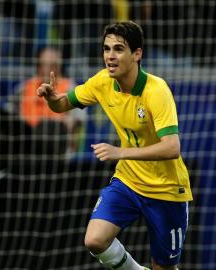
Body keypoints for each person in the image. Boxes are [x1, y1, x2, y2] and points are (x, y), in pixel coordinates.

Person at [37, 21, 192, 270]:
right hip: (128, 181)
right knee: (95, 240)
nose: (110, 55)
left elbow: (172, 147)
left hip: (167, 190)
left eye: (118, 49)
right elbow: (62, 105)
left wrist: (120, 152)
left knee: (163, 267)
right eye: (106, 48)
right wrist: (53, 100)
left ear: (137, 54)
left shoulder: (157, 90)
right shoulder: (102, 82)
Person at [16, 46, 86, 153]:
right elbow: (14, 118)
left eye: (54, 65)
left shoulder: (70, 86)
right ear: (38, 66)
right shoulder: (24, 87)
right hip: (28, 143)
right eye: (45, 65)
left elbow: (79, 119)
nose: (50, 69)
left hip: (58, 145)